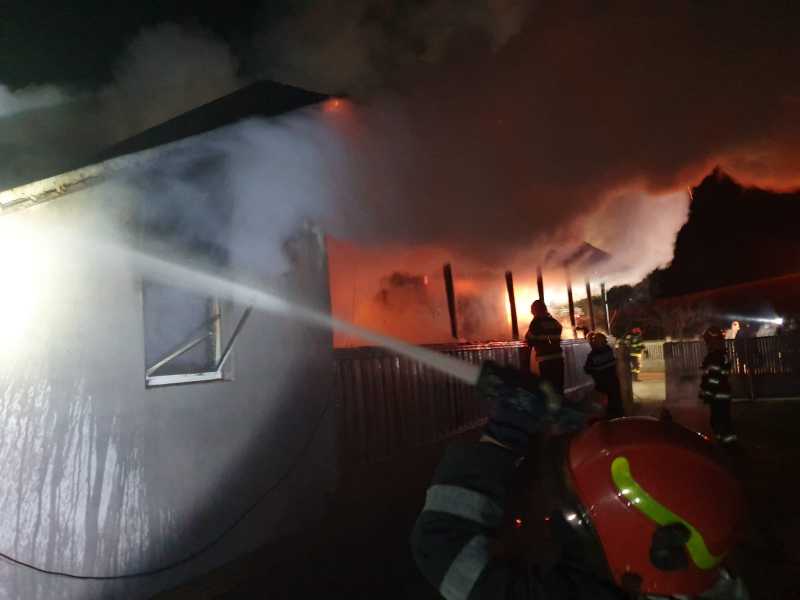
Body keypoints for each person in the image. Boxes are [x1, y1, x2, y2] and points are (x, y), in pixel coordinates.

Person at [411, 361, 748, 600]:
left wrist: (502, 438)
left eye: (577, 516)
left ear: (639, 542)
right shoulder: (700, 582)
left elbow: (442, 547)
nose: (558, 521)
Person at [700, 326, 736, 443]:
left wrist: (707, 394)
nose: (707, 344)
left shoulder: (714, 357)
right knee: (724, 422)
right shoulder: (722, 355)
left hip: (717, 395)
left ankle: (725, 445)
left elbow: (713, 379)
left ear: (713, 341)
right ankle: (728, 443)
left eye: (708, 341)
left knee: (718, 422)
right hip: (723, 394)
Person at [525, 300, 564, 394]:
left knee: (548, 388)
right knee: (558, 386)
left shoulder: (536, 323)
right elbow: (558, 330)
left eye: (532, 310)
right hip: (558, 357)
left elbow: (529, 339)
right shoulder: (554, 322)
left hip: (545, 359)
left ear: (536, 310)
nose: (531, 312)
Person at [584, 332, 624, 418]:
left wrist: (594, 369)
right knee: (616, 402)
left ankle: (611, 419)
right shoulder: (608, 350)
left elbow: (587, 369)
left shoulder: (593, 355)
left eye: (595, 340)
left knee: (607, 405)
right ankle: (619, 418)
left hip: (603, 384)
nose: (593, 342)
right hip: (613, 381)